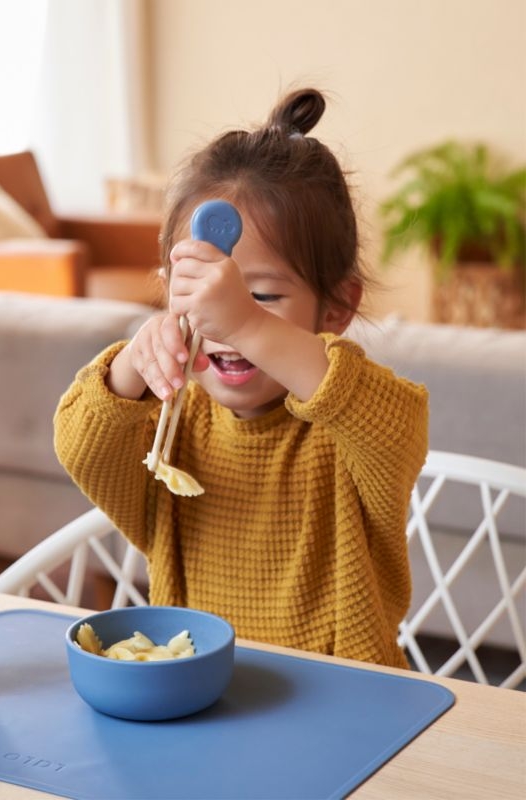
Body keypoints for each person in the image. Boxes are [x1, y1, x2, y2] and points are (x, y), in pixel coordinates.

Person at [53, 88, 428, 669]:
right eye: (204, 295)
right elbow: (80, 444)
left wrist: (245, 322)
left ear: (336, 308)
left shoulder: (348, 431)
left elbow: (391, 419)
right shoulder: (170, 424)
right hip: (201, 703)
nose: (222, 324)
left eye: (262, 296)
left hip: (348, 707)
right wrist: (134, 362)